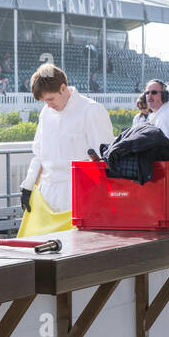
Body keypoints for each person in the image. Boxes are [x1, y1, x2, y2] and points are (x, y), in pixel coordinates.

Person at [19, 64, 113, 235]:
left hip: (79, 196)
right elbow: (38, 154)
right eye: (44, 101)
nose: (48, 105)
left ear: (63, 88)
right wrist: (27, 186)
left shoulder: (91, 110)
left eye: (50, 99)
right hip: (47, 195)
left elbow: (105, 158)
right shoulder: (45, 113)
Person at [133, 80, 169, 147]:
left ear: (164, 95)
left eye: (154, 92)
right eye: (147, 93)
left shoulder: (167, 116)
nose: (149, 95)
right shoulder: (158, 114)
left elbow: (167, 149)